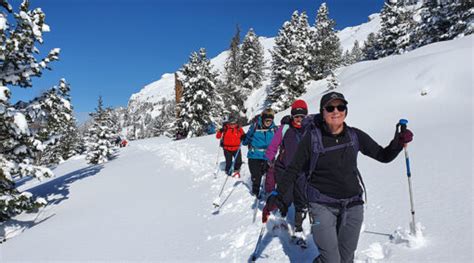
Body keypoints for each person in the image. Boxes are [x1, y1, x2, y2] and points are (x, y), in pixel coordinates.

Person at [263, 92, 413, 263]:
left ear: (345, 111)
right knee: (332, 259)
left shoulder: (354, 135)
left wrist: (398, 143)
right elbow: (293, 169)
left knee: (346, 258)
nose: (336, 111)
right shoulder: (311, 138)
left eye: (340, 107)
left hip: (353, 205)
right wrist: (277, 194)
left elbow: (383, 155)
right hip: (322, 205)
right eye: (330, 107)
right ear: (322, 112)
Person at [264, 99, 310, 245]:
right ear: (292, 116)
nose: (299, 120)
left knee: (301, 199)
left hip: (302, 171)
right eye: (296, 117)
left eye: (302, 117)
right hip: (284, 169)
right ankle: (282, 214)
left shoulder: (310, 129)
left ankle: (298, 227)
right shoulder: (284, 129)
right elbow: (273, 146)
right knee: (286, 196)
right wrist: (269, 159)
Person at [242, 108, 278, 197]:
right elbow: (247, 139)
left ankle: (268, 190)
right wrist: (244, 140)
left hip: (268, 155)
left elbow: (278, 140)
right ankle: (255, 191)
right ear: (263, 119)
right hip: (254, 155)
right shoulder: (255, 126)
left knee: (268, 174)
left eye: (270, 120)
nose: (268, 123)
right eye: (267, 120)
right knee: (256, 175)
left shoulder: (274, 129)